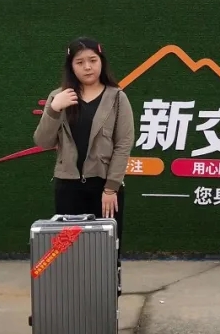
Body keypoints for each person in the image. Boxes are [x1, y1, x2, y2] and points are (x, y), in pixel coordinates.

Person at [33, 37, 136, 296]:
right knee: (68, 250)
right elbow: (43, 141)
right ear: (71, 66)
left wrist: (111, 188)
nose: (87, 67)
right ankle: (73, 304)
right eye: (79, 62)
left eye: (92, 60)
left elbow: (123, 145)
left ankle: (105, 302)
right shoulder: (59, 97)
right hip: (68, 187)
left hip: (104, 188)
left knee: (106, 249)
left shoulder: (117, 97)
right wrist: (54, 110)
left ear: (102, 62)